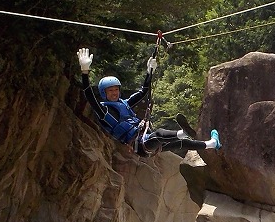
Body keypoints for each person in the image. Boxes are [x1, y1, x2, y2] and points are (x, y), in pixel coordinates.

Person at [76, 48, 221, 156]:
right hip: (139, 145)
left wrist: (149, 71)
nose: (114, 93)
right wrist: (85, 72)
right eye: (110, 91)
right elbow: (89, 96)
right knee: (159, 134)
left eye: (116, 90)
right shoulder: (103, 111)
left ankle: (212, 143)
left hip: (146, 138)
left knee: (181, 144)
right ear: (104, 93)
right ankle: (183, 132)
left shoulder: (124, 104)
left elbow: (143, 91)